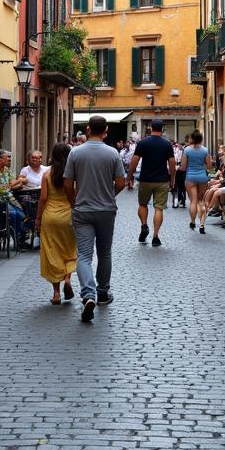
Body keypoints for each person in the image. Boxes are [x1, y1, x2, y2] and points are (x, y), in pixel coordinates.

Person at [64, 116, 126, 323]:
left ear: (88, 129)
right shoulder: (113, 153)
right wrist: (109, 195)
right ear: (106, 130)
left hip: (82, 209)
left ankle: (88, 294)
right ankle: (102, 293)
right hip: (106, 210)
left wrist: (75, 202)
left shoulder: (75, 152)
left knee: (83, 255)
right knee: (104, 252)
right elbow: (120, 182)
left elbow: (67, 184)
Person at [35, 143, 77, 305]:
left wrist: (38, 218)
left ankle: (56, 294)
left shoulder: (47, 174)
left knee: (52, 252)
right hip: (68, 216)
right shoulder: (73, 174)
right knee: (70, 250)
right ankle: (67, 278)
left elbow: (43, 198)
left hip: (50, 217)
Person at [128, 118, 176, 247]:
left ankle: (144, 225)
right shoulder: (167, 144)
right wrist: (172, 179)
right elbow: (172, 162)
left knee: (142, 204)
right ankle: (155, 236)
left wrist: (129, 176)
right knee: (159, 208)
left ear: (150, 128)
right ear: (163, 129)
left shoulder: (143, 143)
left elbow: (135, 160)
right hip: (162, 180)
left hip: (145, 179)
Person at [0, 150, 27, 244]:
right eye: (7, 157)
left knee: (23, 215)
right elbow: (3, 188)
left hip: (10, 199)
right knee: (15, 214)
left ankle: (19, 238)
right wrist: (18, 181)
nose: (10, 159)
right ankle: (17, 239)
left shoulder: (6, 171)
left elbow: (12, 184)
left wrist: (16, 183)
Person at [182, 130, 213, 232]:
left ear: (191, 138)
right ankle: (202, 225)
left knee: (193, 201)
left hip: (190, 177)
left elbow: (183, 166)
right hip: (202, 176)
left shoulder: (187, 150)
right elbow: (209, 166)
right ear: (201, 139)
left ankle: (193, 221)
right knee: (201, 201)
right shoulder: (205, 150)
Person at [172, 142, 187, 208]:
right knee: (181, 187)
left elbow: (177, 161)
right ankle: (182, 200)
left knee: (179, 186)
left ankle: (181, 200)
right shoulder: (181, 152)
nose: (179, 147)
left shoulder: (182, 153)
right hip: (182, 170)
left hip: (180, 170)